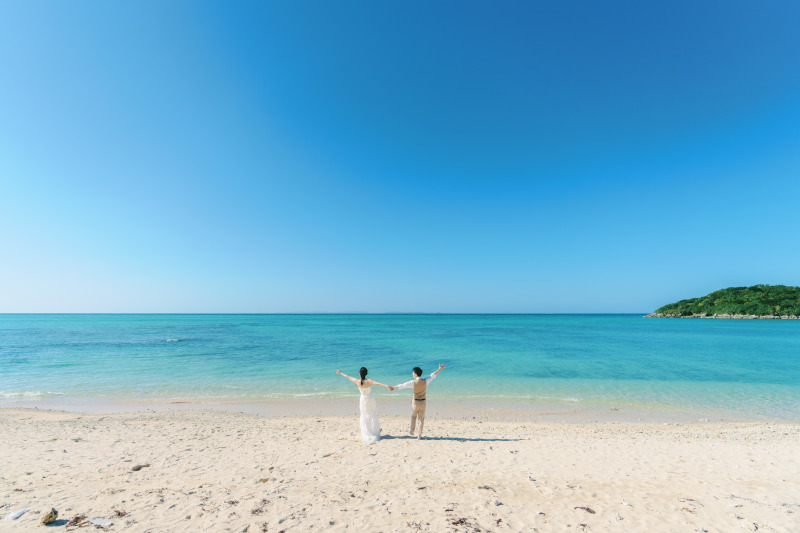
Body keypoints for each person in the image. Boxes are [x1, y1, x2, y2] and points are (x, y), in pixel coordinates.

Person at [336, 367, 392, 444]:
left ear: (359, 374)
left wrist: (340, 373)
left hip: (363, 400)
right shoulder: (368, 381)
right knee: (372, 414)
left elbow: (348, 377)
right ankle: (374, 430)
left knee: (364, 415)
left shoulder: (357, 381)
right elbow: (378, 384)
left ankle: (367, 432)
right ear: (366, 373)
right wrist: (387, 386)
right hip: (370, 399)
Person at [392, 364, 445, 439]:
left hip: (415, 403)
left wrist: (393, 387)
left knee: (413, 417)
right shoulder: (425, 380)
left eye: (413, 373)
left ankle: (412, 431)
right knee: (421, 419)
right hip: (423, 403)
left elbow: (402, 385)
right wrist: (440, 369)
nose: (412, 374)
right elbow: (433, 375)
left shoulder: (413, 382)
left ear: (415, 374)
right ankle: (419, 435)